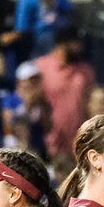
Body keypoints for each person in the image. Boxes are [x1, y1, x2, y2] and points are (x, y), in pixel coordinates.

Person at [35, 27, 95, 162]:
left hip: (77, 142)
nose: (80, 47)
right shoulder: (41, 67)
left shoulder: (86, 71)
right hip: (49, 141)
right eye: (76, 43)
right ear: (63, 44)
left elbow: (91, 102)